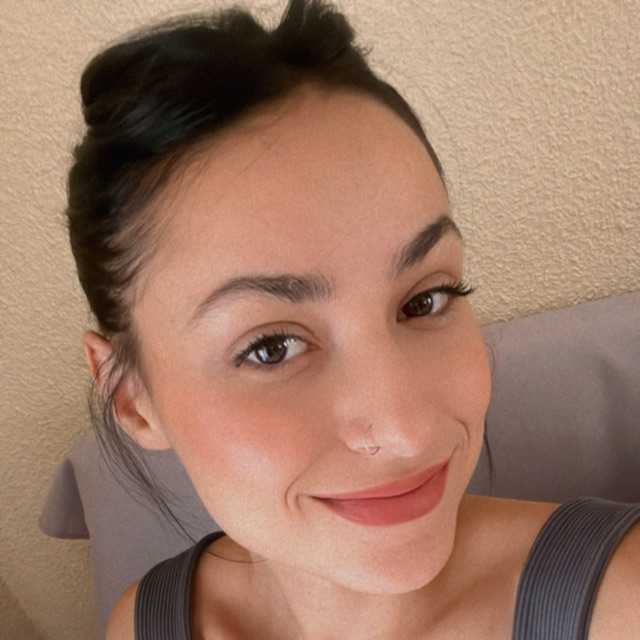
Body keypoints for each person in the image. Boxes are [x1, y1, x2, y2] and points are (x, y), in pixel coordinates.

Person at [64, 0, 640, 638]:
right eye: (271, 347)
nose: (405, 432)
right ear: (132, 398)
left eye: (425, 300)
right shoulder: (146, 624)